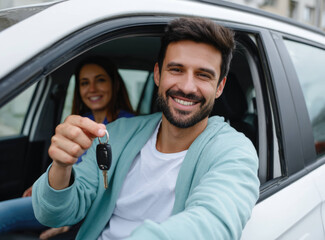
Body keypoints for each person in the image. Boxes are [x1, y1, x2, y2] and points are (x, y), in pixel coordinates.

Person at [32, 17, 260, 240]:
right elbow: (54, 214)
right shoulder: (116, 133)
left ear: (219, 86)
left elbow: (214, 222)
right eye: (176, 70)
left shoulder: (234, 151)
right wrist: (61, 166)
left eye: (203, 75)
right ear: (158, 74)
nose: (187, 87)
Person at [0, 57, 134, 239]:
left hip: (82, 207)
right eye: (84, 83)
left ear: (115, 84)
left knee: (3, 214)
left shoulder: (129, 127)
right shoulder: (79, 122)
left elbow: (113, 191)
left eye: (100, 80)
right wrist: (44, 184)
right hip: (62, 196)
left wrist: (71, 223)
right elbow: (68, 166)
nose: (92, 89)